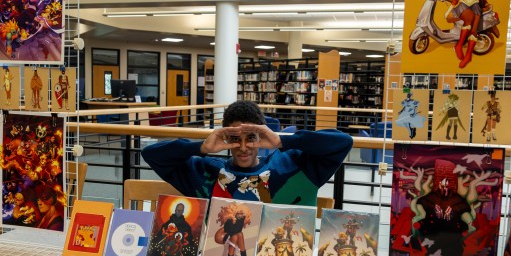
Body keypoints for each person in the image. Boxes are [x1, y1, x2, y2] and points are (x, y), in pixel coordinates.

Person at [141, 100, 353, 207]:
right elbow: (152, 154)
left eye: (251, 137)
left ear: (261, 135)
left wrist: (283, 141)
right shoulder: (205, 172)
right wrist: (201, 148)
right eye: (235, 139)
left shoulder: (293, 165)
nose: (243, 147)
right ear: (226, 138)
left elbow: (342, 142)